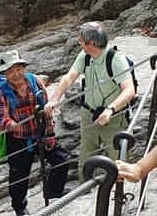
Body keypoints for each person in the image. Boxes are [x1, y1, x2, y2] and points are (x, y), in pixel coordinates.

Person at [46, 22, 137, 169]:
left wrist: (110, 110)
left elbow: (129, 90)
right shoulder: (85, 56)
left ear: (91, 43)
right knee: (86, 156)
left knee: (117, 158)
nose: (78, 42)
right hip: (89, 113)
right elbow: (69, 77)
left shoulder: (116, 60)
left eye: (81, 40)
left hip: (114, 116)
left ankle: (118, 189)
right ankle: (85, 188)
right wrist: (54, 99)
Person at [0, 51, 70, 216]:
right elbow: (0, 119)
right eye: (11, 71)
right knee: (19, 176)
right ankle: (20, 208)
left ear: (24, 68)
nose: (16, 74)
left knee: (62, 160)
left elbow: (46, 109)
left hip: (40, 133)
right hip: (18, 138)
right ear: (5, 74)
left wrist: (50, 134)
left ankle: (53, 191)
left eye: (19, 69)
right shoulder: (1, 93)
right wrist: (10, 124)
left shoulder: (34, 82)